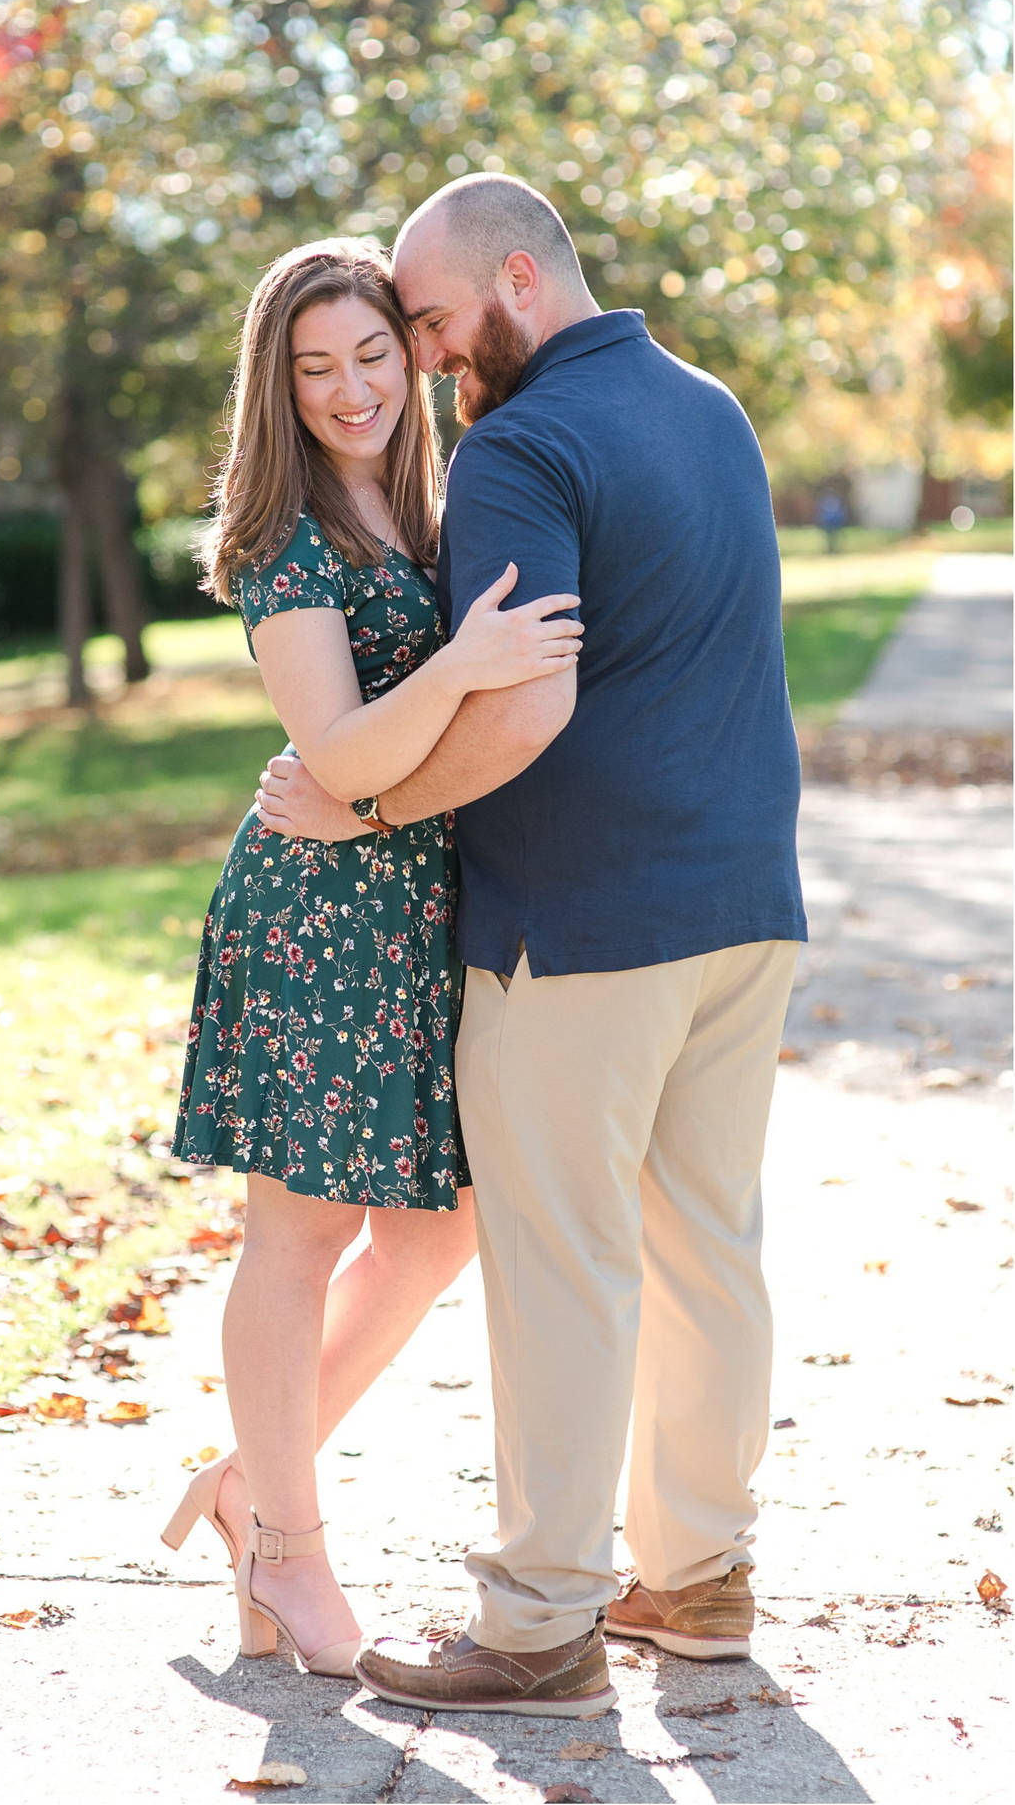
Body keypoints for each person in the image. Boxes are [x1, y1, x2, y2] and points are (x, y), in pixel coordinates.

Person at [254, 175, 807, 1719]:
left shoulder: (520, 447)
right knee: (713, 1252)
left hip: (579, 929)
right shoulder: (711, 407)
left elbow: (526, 704)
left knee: (566, 1269)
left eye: (430, 323)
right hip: (748, 908)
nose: (427, 361)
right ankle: (699, 1581)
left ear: (515, 280)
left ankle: (542, 1624)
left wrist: (365, 816)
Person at [160, 238, 583, 1681]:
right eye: (316, 367)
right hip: (320, 911)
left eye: (371, 357)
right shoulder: (286, 535)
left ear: (412, 356)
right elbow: (335, 754)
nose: (351, 390)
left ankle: (247, 1483)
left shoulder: (435, 503)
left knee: (435, 1226)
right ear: (278, 388)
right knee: (300, 1234)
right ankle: (290, 1555)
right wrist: (459, 668)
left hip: (417, 903)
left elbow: (374, 766)